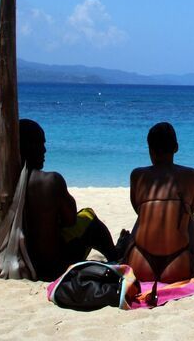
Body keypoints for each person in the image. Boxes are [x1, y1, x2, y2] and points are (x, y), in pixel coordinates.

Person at [19, 118, 120, 281]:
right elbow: (70, 219)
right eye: (40, 144)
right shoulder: (50, 181)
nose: (44, 150)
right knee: (88, 217)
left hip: (20, 263)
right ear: (27, 146)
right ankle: (115, 256)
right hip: (54, 267)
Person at [125, 122, 194, 284]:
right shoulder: (190, 175)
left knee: (146, 212)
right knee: (189, 214)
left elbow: (138, 209)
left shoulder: (137, 175)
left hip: (140, 264)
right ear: (176, 148)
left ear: (150, 149)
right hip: (178, 266)